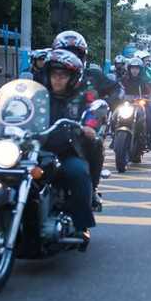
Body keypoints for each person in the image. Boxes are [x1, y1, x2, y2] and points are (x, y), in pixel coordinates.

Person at [51, 30, 121, 208]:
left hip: (81, 129)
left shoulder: (92, 76)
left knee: (94, 144)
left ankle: (90, 188)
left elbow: (116, 90)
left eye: (75, 54)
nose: (69, 57)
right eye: (65, 52)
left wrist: (104, 108)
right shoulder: (46, 74)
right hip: (46, 130)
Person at [40, 49, 96, 247]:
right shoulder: (38, 95)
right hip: (32, 150)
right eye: (54, 74)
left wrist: (89, 126)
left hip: (64, 152)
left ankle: (81, 225)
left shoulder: (78, 97)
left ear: (72, 78)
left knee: (79, 173)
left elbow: (93, 111)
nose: (57, 79)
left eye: (62, 75)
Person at [121, 57, 151, 149]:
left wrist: (148, 96)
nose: (134, 70)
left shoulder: (144, 80)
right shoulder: (124, 79)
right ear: (129, 69)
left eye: (137, 68)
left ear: (140, 69)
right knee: (115, 114)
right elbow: (118, 89)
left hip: (140, 104)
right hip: (127, 104)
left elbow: (150, 90)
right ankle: (114, 136)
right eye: (133, 68)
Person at [135, 50, 151, 142]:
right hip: (131, 100)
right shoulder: (129, 72)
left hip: (146, 99)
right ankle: (115, 136)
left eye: (148, 60)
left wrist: (149, 95)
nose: (147, 62)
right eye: (145, 60)